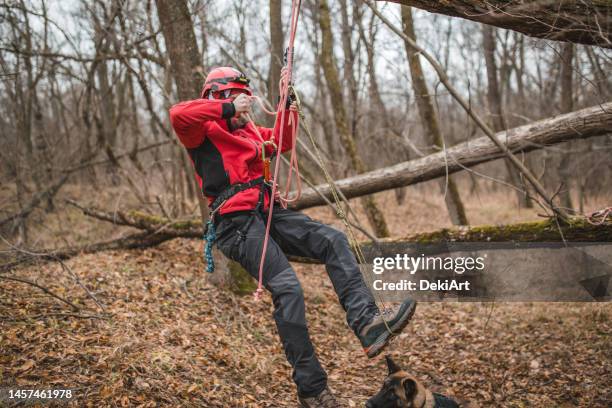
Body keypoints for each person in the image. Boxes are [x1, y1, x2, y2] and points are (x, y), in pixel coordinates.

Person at [169, 66, 416, 408]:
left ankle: (367, 323)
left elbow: (282, 141)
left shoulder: (252, 132)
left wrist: (287, 103)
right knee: (287, 287)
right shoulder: (201, 131)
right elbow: (177, 113)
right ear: (219, 97)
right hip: (235, 222)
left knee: (333, 239)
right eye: (237, 96)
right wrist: (228, 108)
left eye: (247, 97)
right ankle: (312, 389)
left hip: (269, 212)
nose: (246, 104)